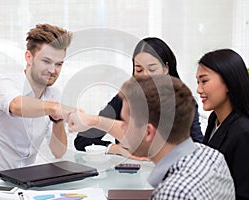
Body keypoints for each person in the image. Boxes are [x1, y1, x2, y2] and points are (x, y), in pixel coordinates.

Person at [68, 75, 235, 199]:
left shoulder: (174, 192)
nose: (121, 129)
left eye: (124, 122)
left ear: (148, 132)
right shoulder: (212, 156)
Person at [0, 23, 73, 186]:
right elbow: (17, 105)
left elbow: (58, 152)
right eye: (46, 61)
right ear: (28, 57)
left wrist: (58, 120)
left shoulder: (54, 94)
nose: (53, 70)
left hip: (23, 187)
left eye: (59, 64)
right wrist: (54, 108)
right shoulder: (7, 83)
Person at [74, 37, 203, 157]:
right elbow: (82, 140)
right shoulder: (124, 99)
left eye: (152, 69)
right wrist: (114, 148)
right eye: (139, 70)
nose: (145, 76)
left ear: (166, 68)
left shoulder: (183, 101)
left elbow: (198, 147)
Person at [196, 49, 249, 200]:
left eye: (204, 81)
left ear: (229, 83)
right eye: (198, 82)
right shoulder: (215, 118)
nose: (199, 90)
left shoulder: (243, 133)